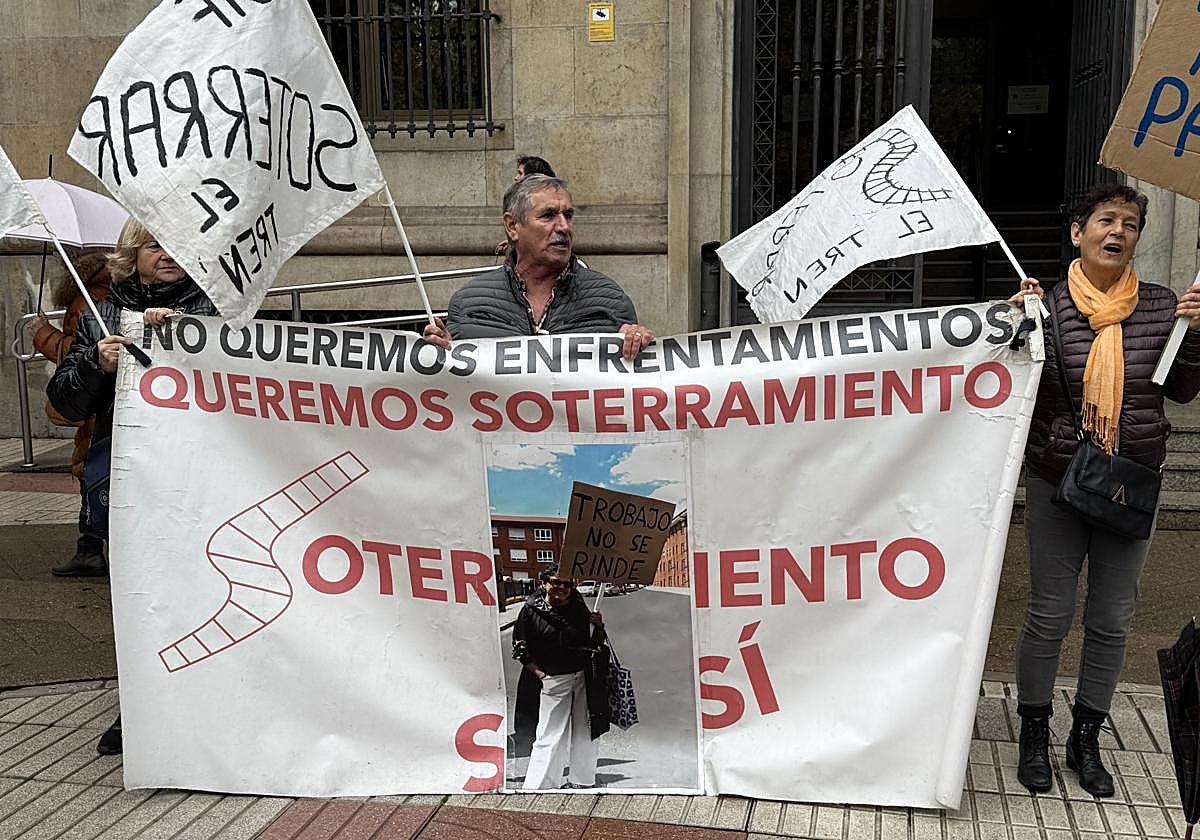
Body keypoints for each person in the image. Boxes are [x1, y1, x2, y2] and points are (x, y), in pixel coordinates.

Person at [1011, 183, 1200, 797]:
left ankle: (1085, 738)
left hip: (1130, 486)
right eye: (1106, 220)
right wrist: (1014, 327)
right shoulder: (1048, 306)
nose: (1118, 232)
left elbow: (1181, 389)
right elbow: (1018, 387)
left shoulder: (1162, 304)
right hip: (1059, 480)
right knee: (1048, 616)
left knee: (1112, 621)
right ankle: (1034, 733)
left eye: (1130, 224)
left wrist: (1194, 332)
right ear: (1078, 232)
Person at [47, 218, 218, 756]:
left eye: (176, 244)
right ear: (132, 253)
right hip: (133, 479)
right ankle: (141, 706)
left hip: (202, 477)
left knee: (200, 590)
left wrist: (188, 341)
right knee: (138, 596)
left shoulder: (214, 308)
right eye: (154, 244)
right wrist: (97, 365)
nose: (167, 254)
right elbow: (64, 402)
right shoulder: (103, 316)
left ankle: (203, 700)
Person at [423, 174, 654, 361]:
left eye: (568, 215)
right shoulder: (469, 304)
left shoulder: (609, 299)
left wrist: (639, 342)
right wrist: (438, 353)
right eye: (549, 216)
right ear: (512, 225)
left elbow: (632, 386)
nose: (564, 226)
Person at [30, 253, 112, 577]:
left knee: (93, 472)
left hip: (96, 404)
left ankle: (90, 550)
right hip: (99, 402)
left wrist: (43, 334)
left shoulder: (89, 297)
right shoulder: (101, 290)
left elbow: (75, 353)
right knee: (93, 471)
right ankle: (89, 548)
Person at [512, 569, 608, 789]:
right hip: (554, 678)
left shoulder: (578, 604)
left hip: (584, 674)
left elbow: (594, 641)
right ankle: (540, 786)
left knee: (587, 730)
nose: (563, 588)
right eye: (557, 582)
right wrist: (540, 674)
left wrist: (598, 625)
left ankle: (583, 781)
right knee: (549, 733)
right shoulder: (530, 610)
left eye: (568, 584)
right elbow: (519, 647)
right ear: (544, 583)